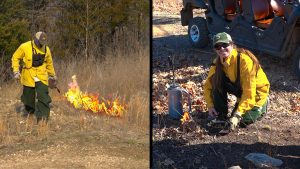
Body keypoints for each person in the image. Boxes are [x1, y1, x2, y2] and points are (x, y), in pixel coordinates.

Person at [204, 32, 270, 130]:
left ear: (232, 44)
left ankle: (263, 104)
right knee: (215, 79)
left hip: (256, 93)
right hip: (240, 90)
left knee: (243, 121)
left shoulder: (244, 61)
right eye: (217, 46)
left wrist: (237, 115)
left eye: (224, 45)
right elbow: (208, 86)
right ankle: (220, 114)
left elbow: (249, 92)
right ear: (215, 49)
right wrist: (210, 106)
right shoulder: (217, 62)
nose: (221, 48)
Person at [12, 31, 57, 123]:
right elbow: (15, 57)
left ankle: (42, 119)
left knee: (44, 97)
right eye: (39, 42)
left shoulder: (46, 49)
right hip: (28, 76)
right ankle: (30, 111)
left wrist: (53, 76)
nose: (41, 45)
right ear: (35, 39)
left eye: (43, 43)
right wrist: (16, 71)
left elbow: (49, 64)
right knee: (28, 99)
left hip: (42, 76)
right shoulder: (25, 46)